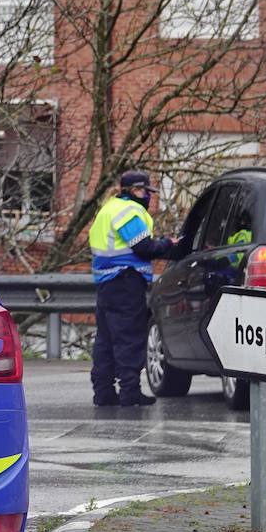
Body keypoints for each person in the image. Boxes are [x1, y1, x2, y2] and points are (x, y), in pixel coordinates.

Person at [89, 171, 179, 407]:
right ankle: (130, 391)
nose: (147, 196)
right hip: (126, 281)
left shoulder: (108, 209)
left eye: (148, 192)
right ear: (130, 191)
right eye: (143, 191)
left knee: (106, 340)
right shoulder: (128, 211)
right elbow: (143, 247)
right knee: (129, 337)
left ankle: (103, 391)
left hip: (106, 283)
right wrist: (168, 244)